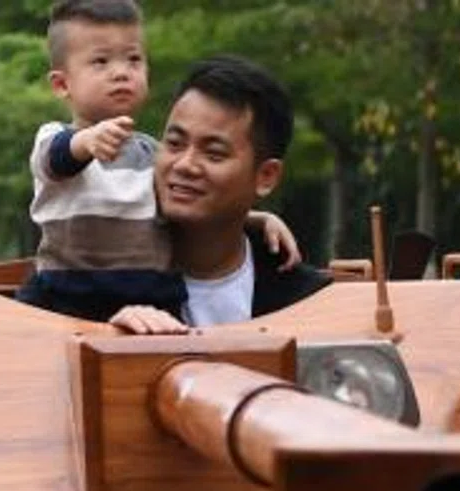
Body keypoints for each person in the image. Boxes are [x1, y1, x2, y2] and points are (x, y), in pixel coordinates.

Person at [16, 1, 297, 323]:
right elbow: (57, 158)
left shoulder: (150, 153)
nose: (121, 72)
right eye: (100, 61)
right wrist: (88, 141)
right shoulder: (56, 139)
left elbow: (176, 199)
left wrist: (255, 219)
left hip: (150, 295)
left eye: (133, 59)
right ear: (62, 84)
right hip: (68, 295)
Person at [108, 55, 334, 335]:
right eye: (175, 143)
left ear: (266, 177)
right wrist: (109, 334)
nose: (185, 164)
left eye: (214, 153)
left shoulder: (308, 304)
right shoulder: (97, 274)